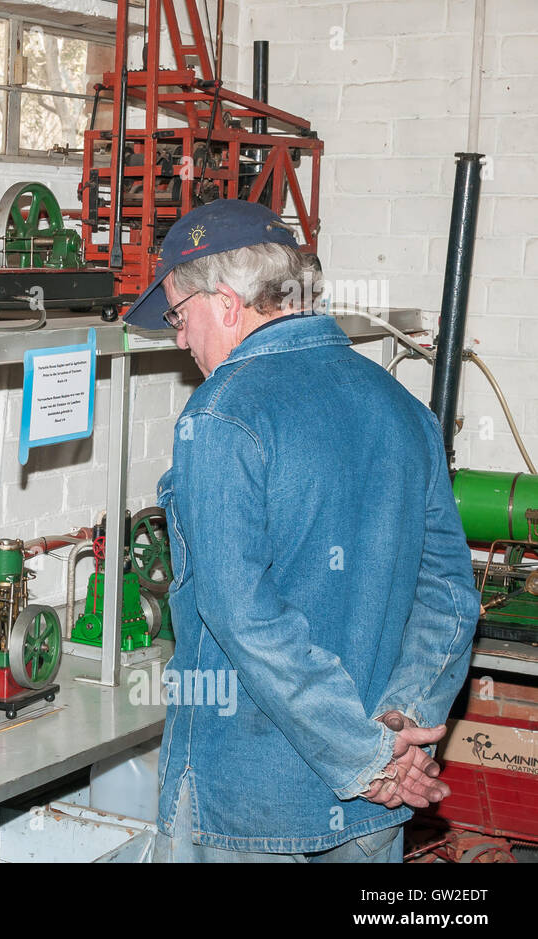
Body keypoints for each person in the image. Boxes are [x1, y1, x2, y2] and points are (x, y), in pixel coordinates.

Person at [123, 199, 478, 862]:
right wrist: (399, 727)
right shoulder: (402, 407)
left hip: (253, 807)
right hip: (371, 808)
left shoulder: (223, 413)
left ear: (225, 302)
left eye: (178, 313)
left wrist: (369, 757)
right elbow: (451, 597)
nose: (178, 337)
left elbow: (243, 617)